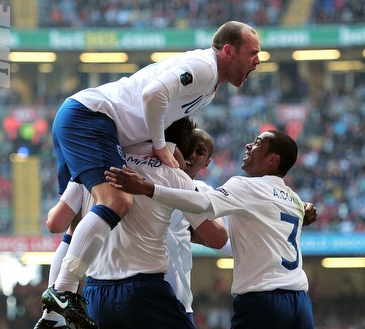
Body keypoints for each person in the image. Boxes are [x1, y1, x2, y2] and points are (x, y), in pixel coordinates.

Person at [43, 20, 260, 327]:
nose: (258, 60)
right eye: (253, 52)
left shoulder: (208, 86)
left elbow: (54, 222)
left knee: (77, 220)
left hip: (85, 118)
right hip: (92, 117)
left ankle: (52, 317)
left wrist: (163, 144)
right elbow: (154, 94)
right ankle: (62, 291)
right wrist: (160, 146)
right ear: (228, 51)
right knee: (117, 202)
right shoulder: (204, 68)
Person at [105, 129, 316, 329]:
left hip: (263, 299)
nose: (248, 145)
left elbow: (202, 203)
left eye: (258, 143)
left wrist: (147, 188)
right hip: (299, 300)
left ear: (272, 159)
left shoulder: (245, 187)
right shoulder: (293, 198)